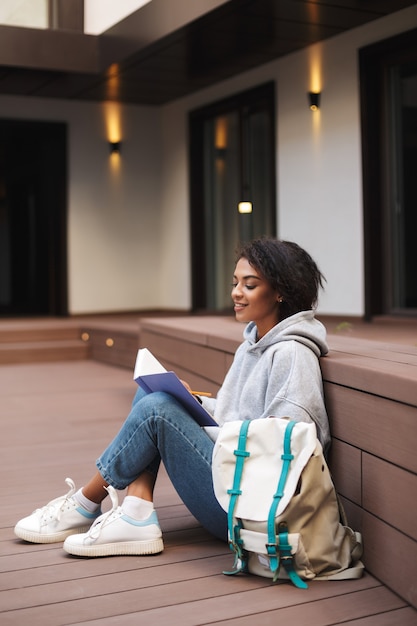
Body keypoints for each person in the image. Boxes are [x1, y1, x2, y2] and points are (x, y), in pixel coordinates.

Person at [14, 237, 330, 558]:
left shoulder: (292, 353)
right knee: (155, 393)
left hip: (250, 510)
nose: (236, 292)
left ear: (280, 292)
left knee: (158, 408)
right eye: (235, 283)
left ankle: (85, 502)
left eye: (249, 285)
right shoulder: (252, 344)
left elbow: (290, 442)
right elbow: (237, 414)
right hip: (229, 480)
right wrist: (195, 402)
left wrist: (203, 429)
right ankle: (136, 511)